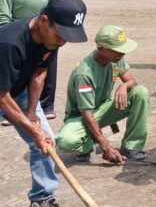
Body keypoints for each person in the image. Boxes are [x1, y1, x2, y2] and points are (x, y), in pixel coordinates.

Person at [0, 0, 87, 207]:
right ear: (43, 21)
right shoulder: (9, 44)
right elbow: (2, 98)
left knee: (45, 141)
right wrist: (32, 130)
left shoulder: (52, 41)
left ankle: (42, 198)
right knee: (38, 135)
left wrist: (31, 114)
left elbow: (39, 73)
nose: (63, 42)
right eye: (60, 35)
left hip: (16, 91)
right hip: (3, 92)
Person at [56, 25, 149, 163]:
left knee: (140, 92)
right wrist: (106, 147)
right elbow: (87, 113)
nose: (122, 54)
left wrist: (124, 86)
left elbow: (132, 82)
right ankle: (88, 143)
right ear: (101, 49)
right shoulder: (84, 73)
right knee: (66, 141)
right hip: (81, 116)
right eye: (117, 50)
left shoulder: (116, 58)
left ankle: (132, 146)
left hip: (103, 109)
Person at [0, 0, 65, 122]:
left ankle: (46, 105)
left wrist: (59, 26)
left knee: (46, 67)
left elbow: (60, 1)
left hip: (47, 30)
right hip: (20, 30)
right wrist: (5, 24)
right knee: (16, 69)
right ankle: (9, 110)